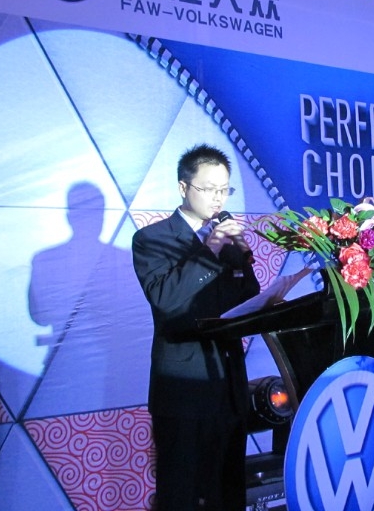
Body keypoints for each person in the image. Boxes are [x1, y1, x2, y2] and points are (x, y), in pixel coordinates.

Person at [132, 144, 260, 511]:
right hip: (184, 389)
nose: (218, 198)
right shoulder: (152, 239)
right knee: (182, 495)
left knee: (227, 494)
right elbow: (166, 299)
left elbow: (248, 299)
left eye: (224, 190)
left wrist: (242, 258)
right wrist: (210, 250)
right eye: (208, 189)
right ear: (183, 187)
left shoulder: (226, 237)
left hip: (229, 386)